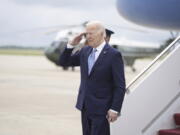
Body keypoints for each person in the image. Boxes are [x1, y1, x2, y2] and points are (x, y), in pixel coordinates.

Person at [59, 21, 126, 135]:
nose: (88, 36)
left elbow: (119, 85)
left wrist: (115, 109)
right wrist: (71, 45)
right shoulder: (85, 51)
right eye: (87, 34)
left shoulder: (114, 55)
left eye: (91, 33)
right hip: (85, 106)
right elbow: (64, 62)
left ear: (102, 34)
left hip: (102, 108)